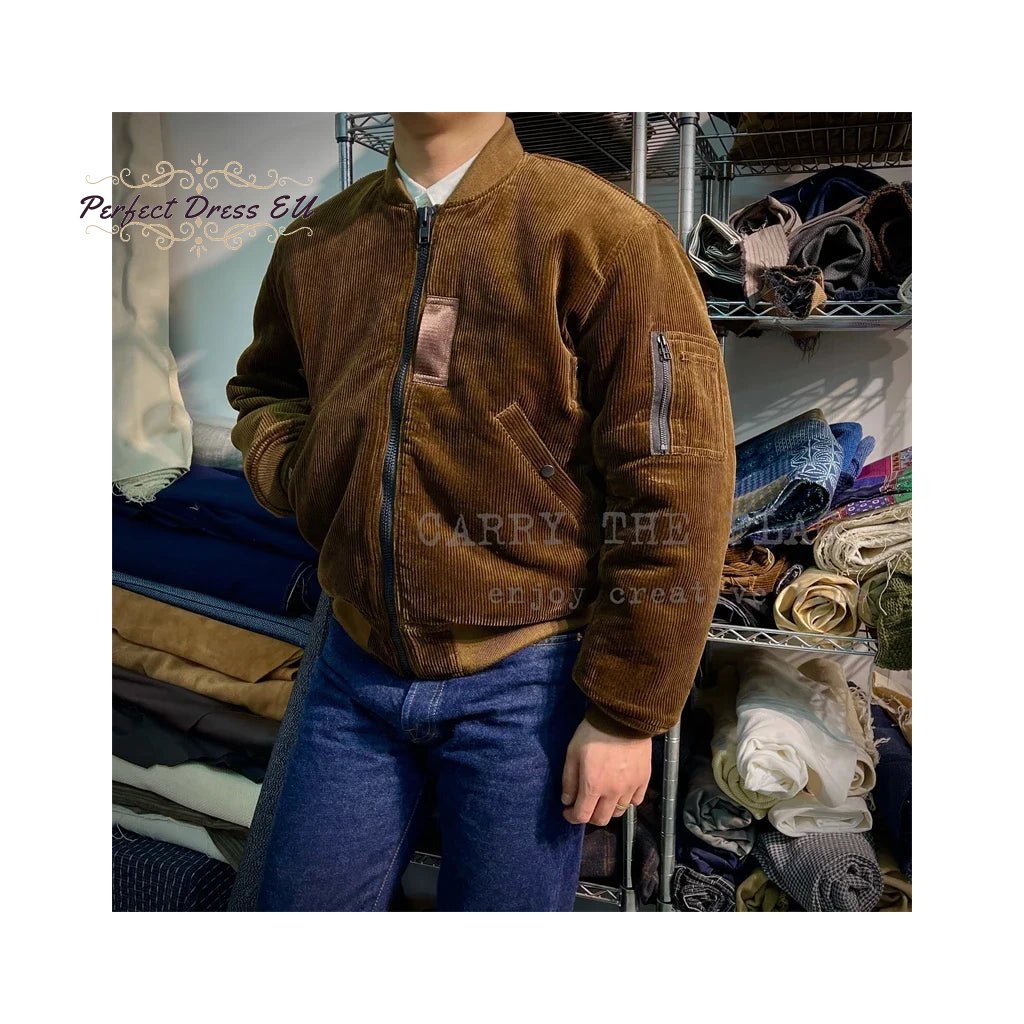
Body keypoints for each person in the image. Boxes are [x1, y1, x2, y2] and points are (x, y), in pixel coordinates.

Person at [227, 111, 735, 911]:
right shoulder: (318, 242)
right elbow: (266, 389)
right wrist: (299, 469)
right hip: (352, 660)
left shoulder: (604, 234)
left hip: (526, 679)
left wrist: (627, 712)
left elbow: (676, 482)